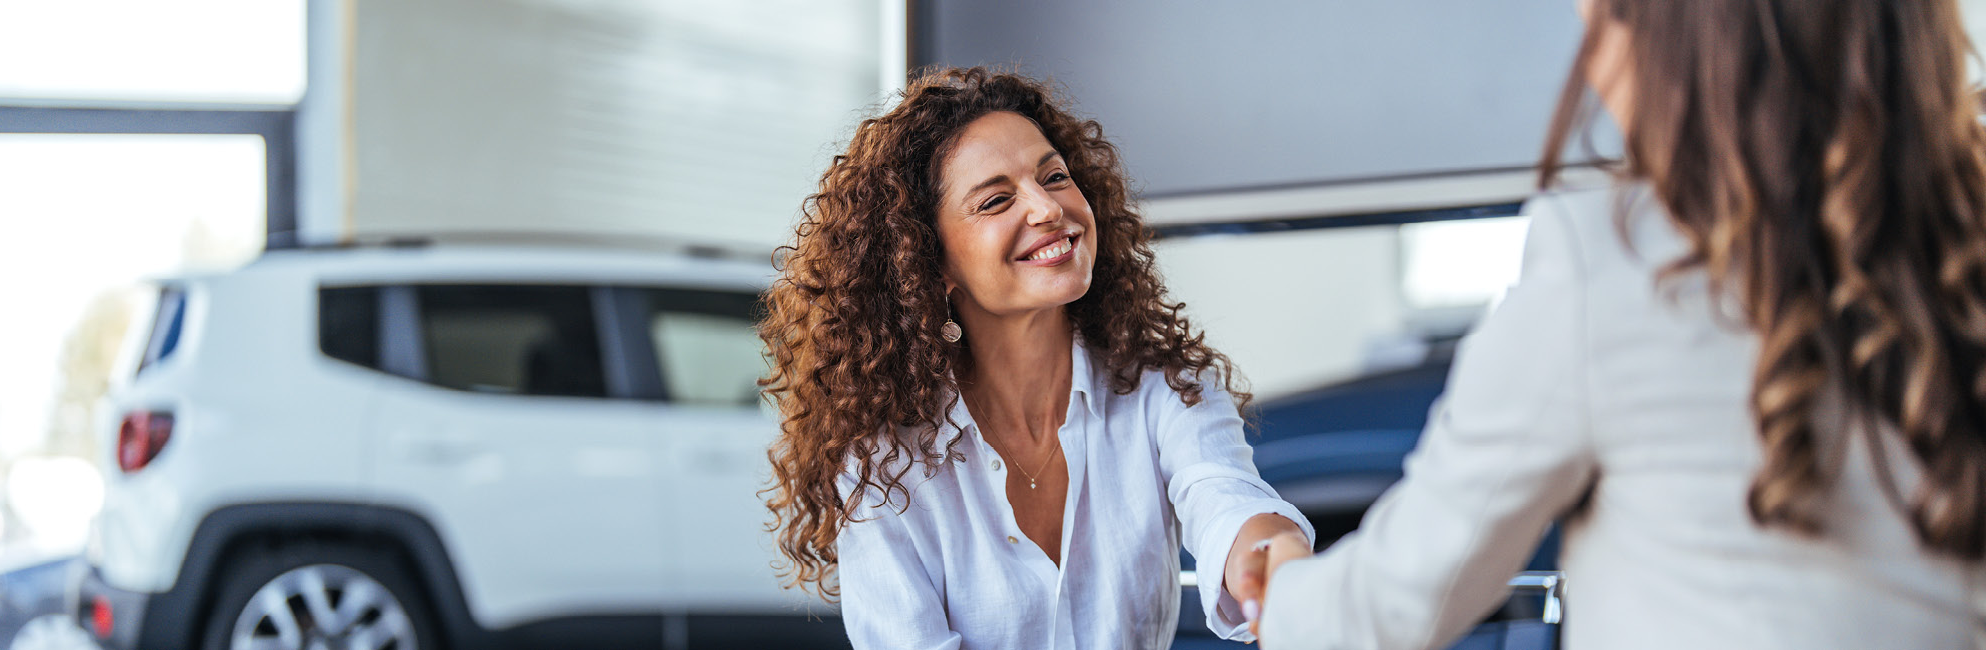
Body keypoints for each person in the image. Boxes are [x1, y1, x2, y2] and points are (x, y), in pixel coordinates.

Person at [1251, 0, 1986, 648]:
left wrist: (1278, 583)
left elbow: (1384, 611)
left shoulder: (1615, 261)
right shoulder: (1963, 258)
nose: (1583, 20)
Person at [757, 67, 1313, 648]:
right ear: (930, 260)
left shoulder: (1165, 385)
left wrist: (1275, 557)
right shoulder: (884, 460)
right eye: (997, 200)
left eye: (1054, 177)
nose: (1047, 208)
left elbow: (1224, 497)